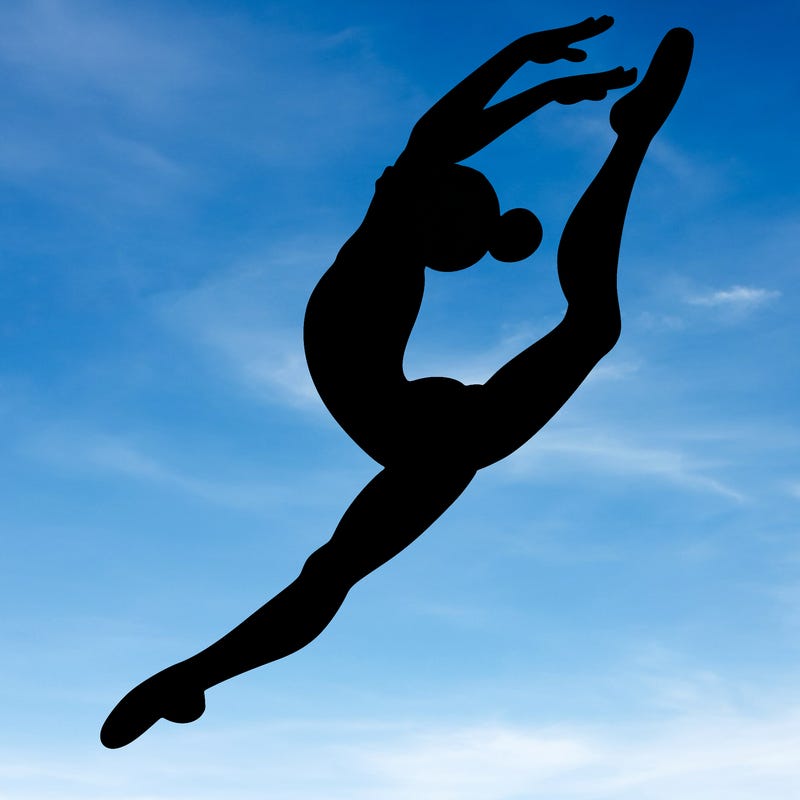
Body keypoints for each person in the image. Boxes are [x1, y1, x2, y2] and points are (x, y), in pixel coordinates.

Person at [101, 18, 693, 749]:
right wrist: (524, 67)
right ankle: (189, 677)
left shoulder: (400, 237)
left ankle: (186, 678)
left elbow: (441, 149)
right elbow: (437, 136)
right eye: (465, 218)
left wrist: (536, 84)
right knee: (331, 574)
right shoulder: (386, 232)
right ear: (427, 201)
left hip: (429, 433)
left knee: (333, 572)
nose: (473, 237)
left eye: (475, 231)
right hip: (423, 430)